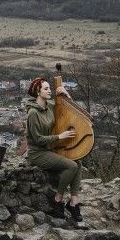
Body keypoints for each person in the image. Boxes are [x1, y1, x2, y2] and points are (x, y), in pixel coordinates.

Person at [23, 77, 83, 222]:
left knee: (78, 162)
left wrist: (67, 95)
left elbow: (68, 110)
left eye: (50, 88)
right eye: (46, 89)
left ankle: (73, 203)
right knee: (72, 166)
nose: (50, 91)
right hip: (38, 153)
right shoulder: (33, 113)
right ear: (38, 91)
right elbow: (38, 139)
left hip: (50, 150)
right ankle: (58, 199)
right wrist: (59, 137)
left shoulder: (49, 106)